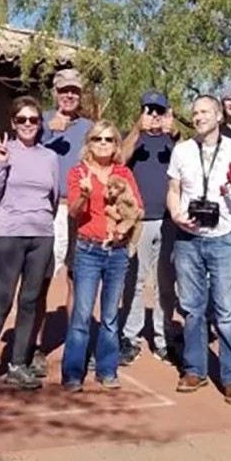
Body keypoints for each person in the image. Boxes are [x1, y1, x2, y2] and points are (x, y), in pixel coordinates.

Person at [166, 94, 231, 405]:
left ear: (218, 116)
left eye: (205, 112)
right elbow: (174, 190)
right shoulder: (182, 150)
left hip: (223, 237)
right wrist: (176, 214)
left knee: (228, 312)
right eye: (195, 113)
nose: (199, 117)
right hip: (188, 238)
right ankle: (194, 369)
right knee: (191, 309)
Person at [0, 97, 59, 397]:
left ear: (40, 124)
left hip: (42, 236)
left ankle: (17, 365)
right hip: (9, 235)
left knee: (30, 302)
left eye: (33, 119)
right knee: (2, 302)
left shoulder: (49, 158)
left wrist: (43, 224)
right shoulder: (1, 152)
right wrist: (2, 165)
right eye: (21, 119)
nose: (27, 125)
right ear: (12, 122)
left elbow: (54, 198)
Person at [61, 120, 143, 391]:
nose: (104, 144)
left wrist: (122, 229)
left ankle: (107, 370)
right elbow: (74, 212)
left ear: (117, 145)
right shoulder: (78, 172)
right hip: (88, 249)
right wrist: (84, 194)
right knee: (82, 314)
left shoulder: (123, 174)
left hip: (117, 252)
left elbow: (137, 208)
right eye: (98, 139)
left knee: (109, 315)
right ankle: (73, 373)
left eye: (109, 139)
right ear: (89, 143)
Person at [35, 67, 93, 375]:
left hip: (78, 211)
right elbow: (25, 156)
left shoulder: (89, 127)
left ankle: (76, 343)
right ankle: (35, 347)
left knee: (76, 279)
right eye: (63, 90)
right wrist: (49, 135)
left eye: (74, 91)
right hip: (46, 210)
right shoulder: (37, 121)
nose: (69, 95)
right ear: (54, 93)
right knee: (41, 280)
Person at [119, 91, 178, 363]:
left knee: (166, 284)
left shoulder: (175, 142)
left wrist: (175, 135)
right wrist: (136, 129)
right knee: (135, 281)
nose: (154, 116)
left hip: (168, 222)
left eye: (159, 110)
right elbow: (119, 160)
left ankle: (164, 338)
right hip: (140, 221)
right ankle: (130, 337)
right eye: (149, 110)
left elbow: (190, 167)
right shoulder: (134, 137)